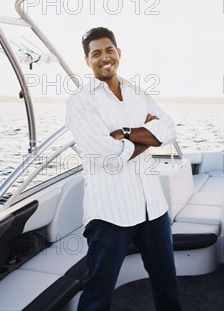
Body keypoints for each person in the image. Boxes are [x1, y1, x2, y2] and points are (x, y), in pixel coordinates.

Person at [65, 27, 181, 311]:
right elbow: (110, 157)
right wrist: (147, 137)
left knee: (167, 282)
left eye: (109, 50)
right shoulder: (80, 101)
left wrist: (125, 132)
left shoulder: (136, 91)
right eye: (96, 54)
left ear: (119, 53)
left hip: (152, 207)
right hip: (110, 213)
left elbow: (168, 129)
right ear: (87, 60)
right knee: (98, 292)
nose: (104, 58)